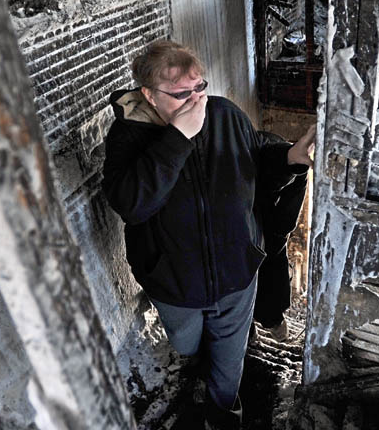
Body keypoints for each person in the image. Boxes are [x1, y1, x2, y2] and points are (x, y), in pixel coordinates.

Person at [101, 39, 313, 429]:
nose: (196, 101)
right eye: (181, 94)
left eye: (200, 88)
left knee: (228, 366)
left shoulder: (224, 114)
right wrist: (179, 138)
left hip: (236, 274)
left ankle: (223, 415)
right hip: (175, 284)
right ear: (148, 94)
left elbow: (255, 157)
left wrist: (289, 158)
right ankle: (197, 369)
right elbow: (132, 203)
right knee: (188, 345)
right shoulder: (128, 137)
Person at [253, 131, 309, 342]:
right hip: (249, 208)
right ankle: (269, 321)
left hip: (264, 217)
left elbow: (293, 197)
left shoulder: (294, 168)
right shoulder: (260, 156)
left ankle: (270, 320)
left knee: (272, 255)